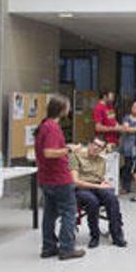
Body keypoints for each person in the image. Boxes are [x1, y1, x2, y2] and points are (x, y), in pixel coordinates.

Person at [35, 94, 85, 261]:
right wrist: (70, 149)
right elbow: (49, 152)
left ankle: (48, 246)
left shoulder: (44, 126)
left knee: (50, 213)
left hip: (46, 178)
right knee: (68, 212)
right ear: (62, 110)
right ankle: (66, 248)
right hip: (59, 178)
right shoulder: (53, 128)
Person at [71, 136, 127, 249]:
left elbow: (99, 178)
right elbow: (75, 181)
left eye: (100, 147)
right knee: (92, 201)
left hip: (96, 186)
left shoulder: (101, 160)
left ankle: (117, 234)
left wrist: (104, 183)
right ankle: (94, 235)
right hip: (81, 188)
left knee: (111, 197)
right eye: (95, 144)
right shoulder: (76, 157)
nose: (96, 148)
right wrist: (98, 186)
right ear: (89, 144)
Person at [120, 100, 136, 194]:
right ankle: (126, 187)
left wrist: (132, 129)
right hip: (128, 146)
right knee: (127, 166)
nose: (133, 108)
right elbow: (125, 129)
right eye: (133, 106)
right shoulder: (126, 117)